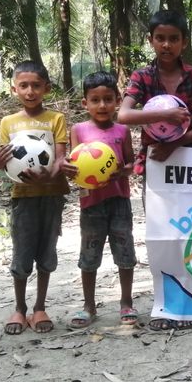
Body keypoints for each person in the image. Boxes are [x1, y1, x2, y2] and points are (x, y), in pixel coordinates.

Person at [117, 9, 192, 331]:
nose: (166, 45)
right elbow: (124, 115)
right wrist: (164, 116)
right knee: (162, 234)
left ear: (184, 42)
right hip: (155, 166)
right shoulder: (142, 77)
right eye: (160, 38)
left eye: (173, 39)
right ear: (151, 40)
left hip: (189, 164)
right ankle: (167, 304)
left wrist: (178, 141)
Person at [0, 61, 69, 335]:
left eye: (36, 85)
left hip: (51, 195)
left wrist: (48, 176)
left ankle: (39, 308)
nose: (30, 91)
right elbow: (7, 163)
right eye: (23, 86)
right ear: (14, 89)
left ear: (46, 88)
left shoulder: (56, 119)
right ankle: (19, 308)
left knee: (47, 251)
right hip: (23, 196)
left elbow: (60, 159)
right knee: (22, 252)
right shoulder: (8, 122)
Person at [60, 72, 137, 330]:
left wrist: (122, 171)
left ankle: (126, 302)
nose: (102, 105)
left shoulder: (122, 130)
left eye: (108, 99)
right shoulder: (78, 130)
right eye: (95, 100)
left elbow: (131, 163)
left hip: (119, 200)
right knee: (89, 253)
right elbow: (75, 166)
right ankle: (89, 306)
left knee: (125, 252)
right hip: (91, 203)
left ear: (118, 100)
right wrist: (69, 170)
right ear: (85, 103)